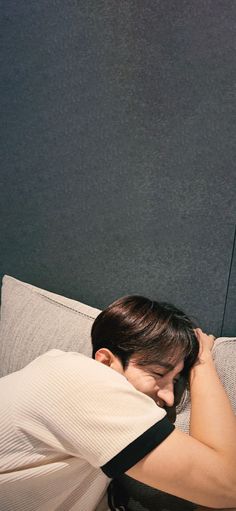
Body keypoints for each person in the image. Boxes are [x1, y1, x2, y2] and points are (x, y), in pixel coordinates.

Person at [0, 296, 235, 511]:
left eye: (174, 380)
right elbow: (228, 486)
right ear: (105, 362)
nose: (170, 398)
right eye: (157, 373)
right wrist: (202, 364)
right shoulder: (81, 383)